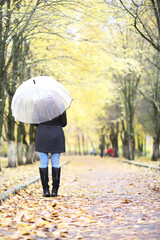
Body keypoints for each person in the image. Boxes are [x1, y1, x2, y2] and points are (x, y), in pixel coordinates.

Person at [35, 111, 67, 197]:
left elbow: (34, 123)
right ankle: (54, 191)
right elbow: (64, 123)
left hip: (42, 134)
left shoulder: (39, 105)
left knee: (43, 163)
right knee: (56, 162)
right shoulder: (59, 106)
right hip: (56, 134)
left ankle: (45, 190)